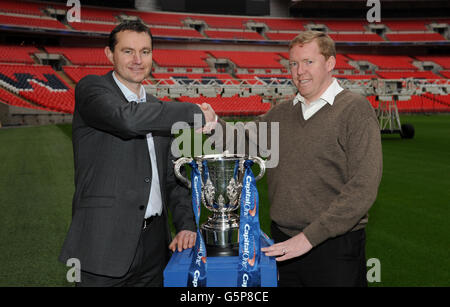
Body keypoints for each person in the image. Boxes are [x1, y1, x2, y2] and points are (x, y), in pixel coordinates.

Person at [203, 30, 382, 286]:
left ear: (330, 63)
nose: (299, 71)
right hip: (284, 243)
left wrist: (309, 238)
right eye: (294, 64)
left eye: (309, 62)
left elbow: (363, 188)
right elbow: (244, 141)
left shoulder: (355, 110)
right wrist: (214, 125)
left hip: (333, 247)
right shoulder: (282, 113)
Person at [59, 21, 216, 287]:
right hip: (103, 247)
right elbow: (128, 120)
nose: (137, 60)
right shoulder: (92, 89)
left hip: (155, 247)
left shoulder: (156, 109)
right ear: (109, 55)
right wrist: (195, 113)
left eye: (145, 51)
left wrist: (187, 225)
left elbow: (173, 177)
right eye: (128, 51)